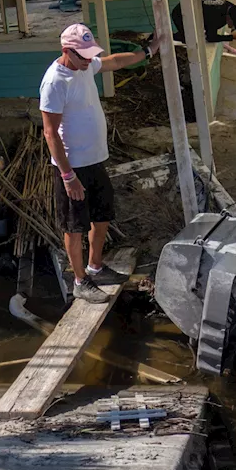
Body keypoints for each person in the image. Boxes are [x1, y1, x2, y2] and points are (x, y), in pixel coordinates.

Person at [39, 23, 157, 304]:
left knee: (101, 215)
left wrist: (148, 52)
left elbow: (115, 62)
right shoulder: (55, 82)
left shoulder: (85, 66)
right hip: (72, 167)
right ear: (66, 51)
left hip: (94, 161)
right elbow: (49, 132)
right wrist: (68, 177)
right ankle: (80, 281)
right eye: (83, 55)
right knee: (74, 224)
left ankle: (96, 266)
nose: (89, 60)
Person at [171, 0, 236, 54]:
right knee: (188, 38)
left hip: (199, 9)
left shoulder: (235, 11)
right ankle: (168, 37)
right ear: (228, 18)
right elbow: (211, 38)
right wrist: (231, 37)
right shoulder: (215, 17)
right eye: (234, 25)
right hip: (181, 13)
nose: (233, 28)